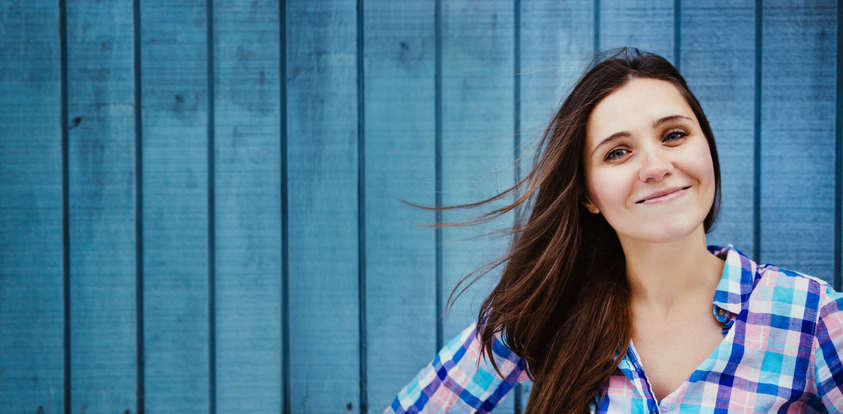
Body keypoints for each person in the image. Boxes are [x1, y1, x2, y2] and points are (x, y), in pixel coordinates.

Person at [384, 48, 843, 414]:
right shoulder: (548, 313)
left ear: (707, 148)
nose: (656, 167)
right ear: (587, 196)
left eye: (675, 135)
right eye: (618, 153)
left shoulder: (812, 316)